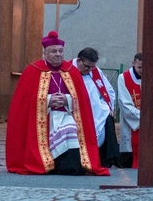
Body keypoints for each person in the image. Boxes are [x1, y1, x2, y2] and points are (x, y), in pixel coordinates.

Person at [6, 31, 109, 175]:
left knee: (71, 128)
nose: (58, 54)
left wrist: (67, 99)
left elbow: (82, 99)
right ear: (45, 53)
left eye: (60, 51)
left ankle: (69, 166)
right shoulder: (32, 70)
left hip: (66, 113)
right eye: (53, 51)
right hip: (43, 116)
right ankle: (48, 164)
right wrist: (47, 100)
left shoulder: (71, 71)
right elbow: (22, 102)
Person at [117, 52, 153, 169]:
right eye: (139, 67)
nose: (142, 70)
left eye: (145, 67)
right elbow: (125, 104)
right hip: (132, 123)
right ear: (133, 63)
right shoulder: (123, 78)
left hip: (151, 122)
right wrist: (144, 116)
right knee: (129, 159)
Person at [72, 47, 119, 167]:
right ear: (79, 60)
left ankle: (104, 160)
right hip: (76, 111)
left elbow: (109, 91)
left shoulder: (96, 71)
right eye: (87, 66)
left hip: (98, 111)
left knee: (107, 121)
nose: (90, 70)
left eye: (92, 67)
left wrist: (108, 107)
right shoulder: (69, 70)